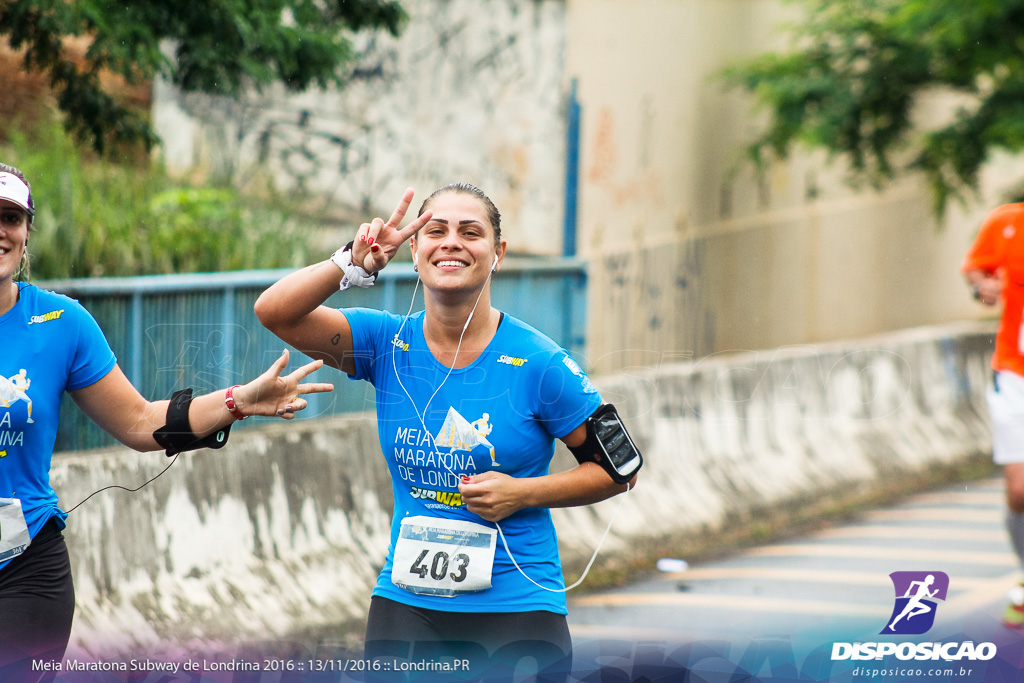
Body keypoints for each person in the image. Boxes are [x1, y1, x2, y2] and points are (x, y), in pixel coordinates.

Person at [255, 183, 637, 680]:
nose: (451, 242)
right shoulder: (384, 343)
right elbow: (274, 312)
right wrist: (352, 263)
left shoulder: (542, 364)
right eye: (435, 231)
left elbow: (621, 469)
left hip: (517, 607)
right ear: (413, 250)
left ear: (497, 253)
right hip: (406, 604)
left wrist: (522, 493)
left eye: (470, 232)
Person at [0, 163, 334, 676]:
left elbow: (139, 421)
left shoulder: (61, 323)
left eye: (10, 218)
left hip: (24, 571)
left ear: (26, 237)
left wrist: (238, 400)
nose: (1, 230)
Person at [962, 202, 1024, 628]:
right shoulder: (1007, 222)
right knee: (1020, 491)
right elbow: (974, 269)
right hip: (1015, 372)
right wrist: (982, 287)